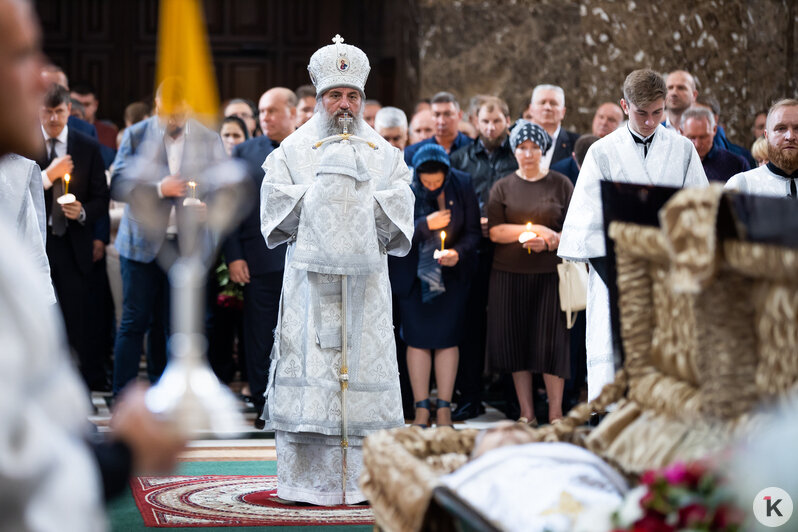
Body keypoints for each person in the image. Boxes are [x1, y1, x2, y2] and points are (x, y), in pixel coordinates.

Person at [0, 1, 185, 528]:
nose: (41, 80)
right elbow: (14, 470)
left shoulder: (15, 168)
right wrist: (123, 453)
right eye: (19, 55)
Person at [259, 34, 414, 505]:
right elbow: (273, 209)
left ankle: (365, 482)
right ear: (319, 99)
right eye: (335, 95)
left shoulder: (384, 155)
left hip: (367, 293)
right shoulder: (291, 150)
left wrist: (357, 198)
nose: (344, 104)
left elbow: (402, 206)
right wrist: (326, 192)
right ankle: (309, 483)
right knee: (315, 378)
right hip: (309, 291)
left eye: (351, 96)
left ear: (362, 100)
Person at [559, 69, 708, 402]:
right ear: (625, 106)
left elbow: (699, 210)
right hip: (615, 272)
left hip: (669, 270)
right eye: (642, 113)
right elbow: (586, 221)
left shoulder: (683, 150)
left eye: (658, 113)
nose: (651, 121)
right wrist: (619, 270)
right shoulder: (602, 152)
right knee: (614, 353)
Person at [110, 78, 227, 396]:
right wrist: (160, 188)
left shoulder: (207, 137)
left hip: (184, 243)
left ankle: (166, 396)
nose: (172, 119)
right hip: (141, 244)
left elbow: (222, 185)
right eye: (166, 111)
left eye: (179, 113)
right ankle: (122, 396)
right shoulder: (138, 134)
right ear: (156, 105)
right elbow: (119, 180)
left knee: (174, 324)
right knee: (134, 321)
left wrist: (209, 209)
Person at [485, 120, 573, 425]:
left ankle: (556, 413)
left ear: (544, 150)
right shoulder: (503, 186)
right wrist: (532, 230)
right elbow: (495, 232)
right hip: (509, 275)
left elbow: (573, 233)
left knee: (551, 345)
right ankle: (526, 413)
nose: (528, 153)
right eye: (522, 147)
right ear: (514, 150)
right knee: (516, 343)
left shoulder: (561, 184)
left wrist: (550, 240)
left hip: (549, 276)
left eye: (534, 147)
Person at [391, 144, 479, 427]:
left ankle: (443, 409)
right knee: (415, 340)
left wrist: (458, 253)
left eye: (437, 182)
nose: (431, 186)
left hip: (450, 279)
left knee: (447, 339)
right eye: (426, 182)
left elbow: (473, 232)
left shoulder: (462, 183)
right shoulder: (402, 184)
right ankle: (421, 409)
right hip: (413, 279)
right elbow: (393, 231)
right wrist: (425, 224)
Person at [222, 87, 289, 429]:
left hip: (299, 258)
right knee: (259, 335)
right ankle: (263, 403)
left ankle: (294, 404)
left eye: (273, 111)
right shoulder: (245, 152)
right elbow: (229, 208)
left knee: (297, 336)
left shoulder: (308, 147)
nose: (265, 118)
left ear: (292, 112)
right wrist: (233, 256)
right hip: (257, 258)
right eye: (261, 112)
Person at [36, 83, 110, 390]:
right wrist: (49, 176)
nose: (53, 119)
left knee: (79, 316)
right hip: (39, 242)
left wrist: (81, 212)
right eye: (47, 112)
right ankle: (41, 381)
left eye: (59, 112)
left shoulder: (86, 145)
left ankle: (81, 382)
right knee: (42, 316)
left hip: (73, 242)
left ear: (69, 111)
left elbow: (101, 197)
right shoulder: (26, 144)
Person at [449, 95, 518, 421]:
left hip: (510, 250)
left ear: (508, 121)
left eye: (497, 121)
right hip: (472, 251)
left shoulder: (518, 156)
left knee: (508, 322)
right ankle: (470, 396)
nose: (491, 127)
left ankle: (513, 398)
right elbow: (453, 203)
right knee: (471, 323)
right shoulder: (460, 158)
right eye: (485, 122)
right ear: (476, 122)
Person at [725, 99, 798, 196]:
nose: (790, 136)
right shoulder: (741, 186)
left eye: (797, 128)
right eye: (781, 128)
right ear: (767, 136)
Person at [680, 106, 749, 182]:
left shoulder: (737, 164)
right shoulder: (673, 161)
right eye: (692, 138)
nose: (697, 144)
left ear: (714, 130)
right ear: (681, 132)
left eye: (703, 137)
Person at [404, 92, 472, 165]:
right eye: (437, 115)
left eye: (447, 114)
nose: (441, 121)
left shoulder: (474, 149)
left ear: (459, 115)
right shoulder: (413, 152)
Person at [527, 84, 580, 169]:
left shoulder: (576, 144)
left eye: (553, 103)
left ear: (563, 112)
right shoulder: (516, 142)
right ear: (531, 109)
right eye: (542, 102)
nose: (547, 107)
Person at [71, 81, 119, 150]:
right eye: (76, 104)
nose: (81, 109)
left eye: (86, 104)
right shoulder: (60, 132)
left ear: (95, 105)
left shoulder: (110, 133)